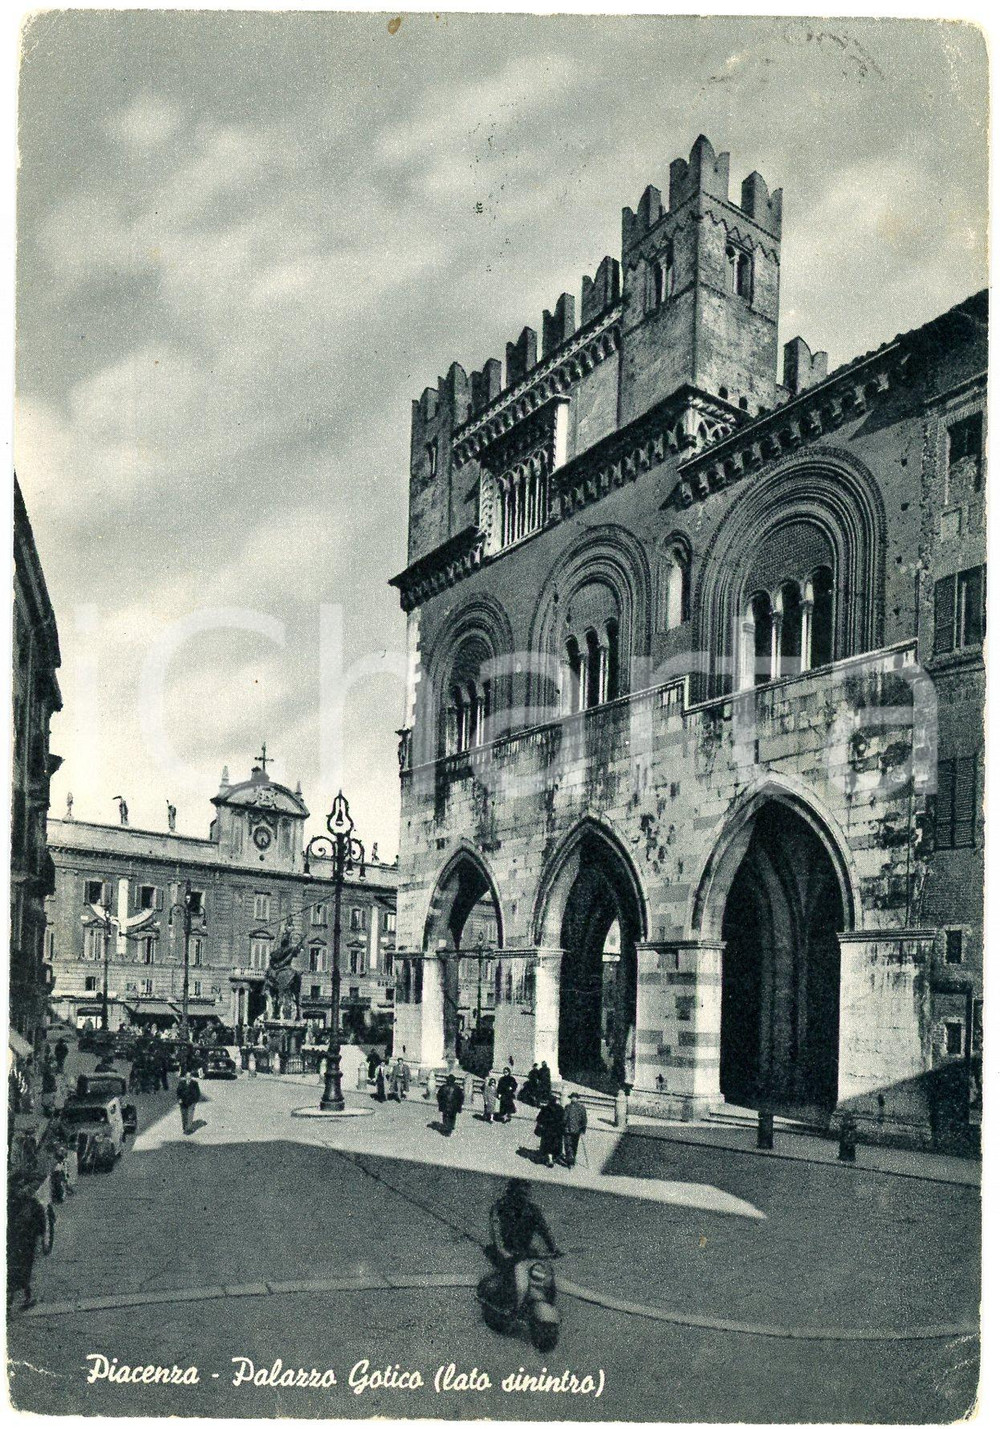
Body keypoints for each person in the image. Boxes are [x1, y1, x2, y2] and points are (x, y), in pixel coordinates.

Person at [488, 1178, 559, 1311]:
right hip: (506, 1252)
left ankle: (549, 1302)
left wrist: (553, 1248)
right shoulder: (499, 1208)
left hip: (525, 1251)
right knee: (514, 1279)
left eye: (526, 1194)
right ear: (511, 1193)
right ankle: (509, 1306)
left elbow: (544, 1230)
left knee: (547, 1273)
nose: (524, 1198)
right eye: (520, 1194)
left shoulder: (532, 1210)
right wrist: (503, 1251)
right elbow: (496, 1233)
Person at [7, 1174, 47, 1311]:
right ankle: (12, 1298)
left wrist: (41, 1240)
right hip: (14, 1241)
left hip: (26, 1242)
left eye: (23, 1187)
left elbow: (41, 1226)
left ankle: (25, 1296)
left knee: (24, 1268)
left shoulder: (33, 1205)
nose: (21, 1190)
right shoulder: (12, 1203)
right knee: (14, 1268)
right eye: (18, 1187)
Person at [534, 1092, 565, 1168]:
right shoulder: (560, 1109)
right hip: (557, 1130)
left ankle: (550, 1159)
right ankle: (555, 1158)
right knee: (556, 1144)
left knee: (547, 1145)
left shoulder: (545, 1109)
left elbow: (539, 1118)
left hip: (548, 1130)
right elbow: (563, 1119)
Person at [563, 1092, 588, 1168]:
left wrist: (583, 1128)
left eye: (574, 1098)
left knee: (571, 1145)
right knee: (571, 1145)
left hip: (572, 1130)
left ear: (577, 1099)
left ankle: (571, 1160)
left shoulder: (579, 1108)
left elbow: (584, 1119)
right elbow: (564, 1118)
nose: (573, 1099)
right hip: (572, 1129)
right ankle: (571, 1160)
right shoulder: (569, 1107)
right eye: (572, 1097)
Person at [176, 1066, 201, 1134]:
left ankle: (188, 1129)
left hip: (191, 1102)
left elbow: (197, 1092)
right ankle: (185, 1128)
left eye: (189, 1076)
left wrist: (195, 1101)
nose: (188, 1077)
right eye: (187, 1076)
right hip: (183, 1102)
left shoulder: (194, 1083)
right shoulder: (181, 1083)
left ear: (191, 1077)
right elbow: (178, 1092)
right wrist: (179, 1099)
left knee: (190, 1115)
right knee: (184, 1115)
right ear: (185, 1076)